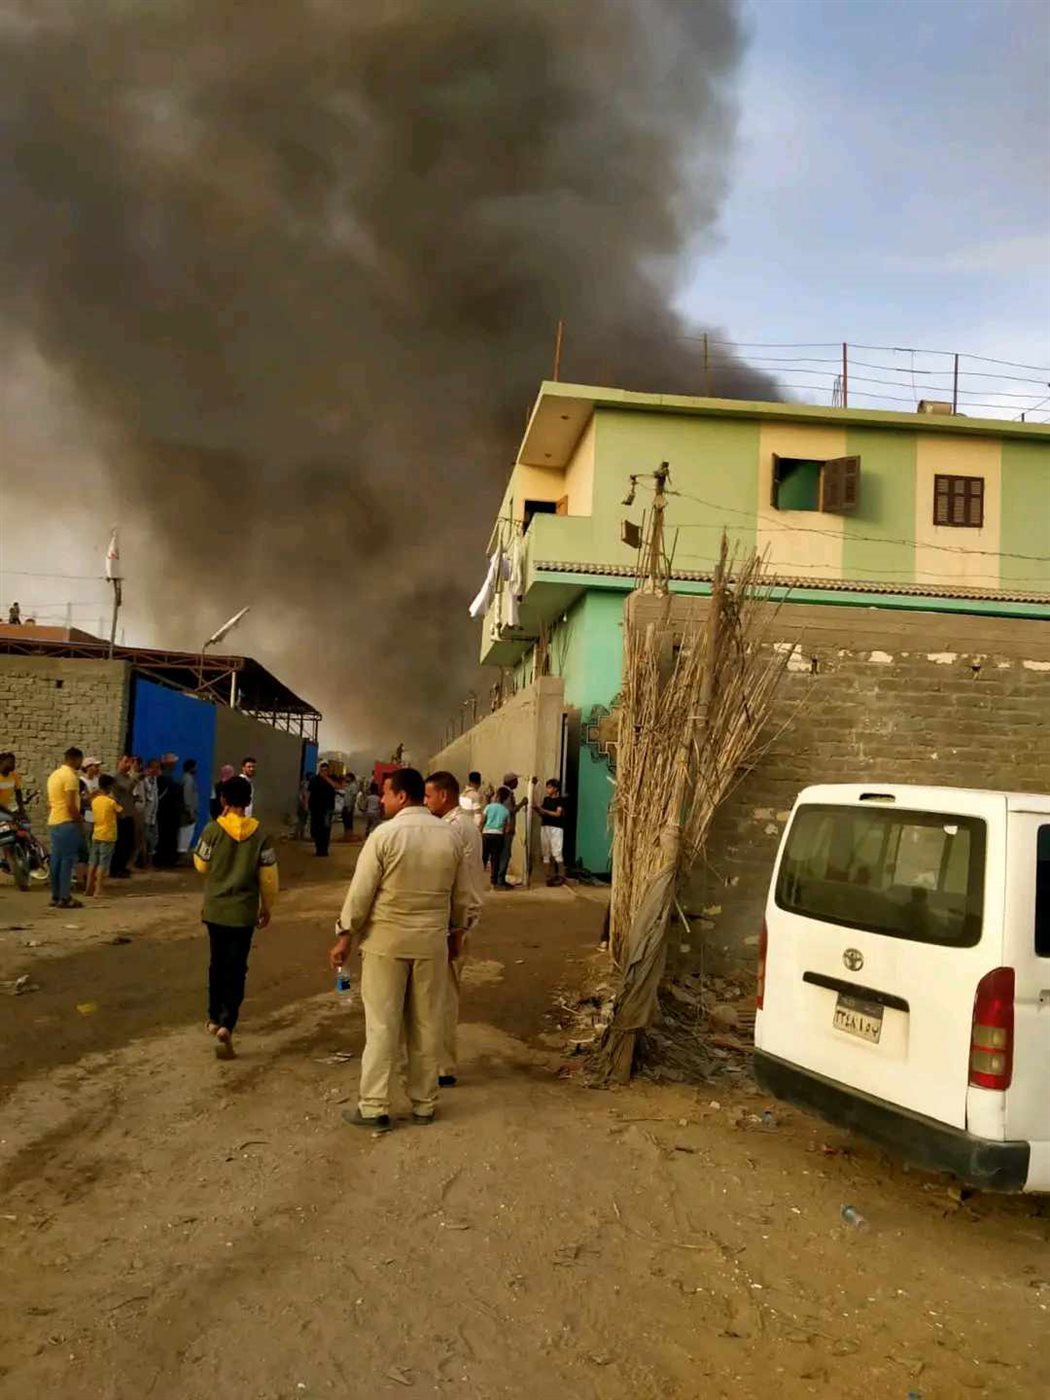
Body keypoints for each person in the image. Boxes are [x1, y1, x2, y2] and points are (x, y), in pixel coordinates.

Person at [328, 768, 471, 1131]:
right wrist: (456, 935)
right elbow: (461, 897)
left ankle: (374, 1105)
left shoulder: (384, 835)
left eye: (387, 794)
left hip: (386, 944)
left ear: (401, 796)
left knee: (382, 1026)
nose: (384, 800)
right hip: (431, 944)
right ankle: (424, 1104)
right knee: (426, 1024)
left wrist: (345, 935)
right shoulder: (451, 837)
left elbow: (360, 895)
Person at [193, 775, 279, 1060]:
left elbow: (201, 865)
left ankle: (214, 1017)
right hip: (243, 913)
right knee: (237, 966)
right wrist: (267, 906)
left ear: (223, 801)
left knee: (217, 963)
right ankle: (228, 1023)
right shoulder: (260, 834)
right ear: (249, 801)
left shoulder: (212, 830)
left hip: (216, 910)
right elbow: (269, 877)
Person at [424, 771, 484, 1088]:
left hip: (455, 922)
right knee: (443, 994)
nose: (425, 802)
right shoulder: (463, 825)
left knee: (443, 995)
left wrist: (455, 929)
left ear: (444, 795)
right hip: (460, 919)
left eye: (428, 796)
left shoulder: (452, 828)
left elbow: (455, 886)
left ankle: (443, 1066)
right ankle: (439, 1062)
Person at [47, 745, 84, 909]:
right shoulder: (70, 777)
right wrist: (78, 819)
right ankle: (65, 896)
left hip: (54, 821)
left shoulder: (54, 775)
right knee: (67, 861)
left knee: (56, 860)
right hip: (66, 822)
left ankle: (56, 895)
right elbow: (70, 804)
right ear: (75, 759)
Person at [85, 774, 122, 897]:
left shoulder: (95, 801)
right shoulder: (111, 802)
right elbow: (121, 812)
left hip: (96, 833)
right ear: (110, 787)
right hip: (108, 835)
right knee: (103, 863)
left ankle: (89, 888)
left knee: (93, 861)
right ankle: (98, 889)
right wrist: (115, 799)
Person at [495, 773, 529, 889]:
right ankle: (500, 881)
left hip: (500, 827)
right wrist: (522, 804)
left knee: (500, 854)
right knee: (505, 854)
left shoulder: (500, 792)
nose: (517, 783)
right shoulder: (507, 793)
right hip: (506, 828)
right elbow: (510, 811)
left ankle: (499, 880)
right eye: (516, 781)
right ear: (511, 782)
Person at [534, 778, 567, 886]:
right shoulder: (546, 799)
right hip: (545, 826)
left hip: (556, 828)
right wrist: (538, 809)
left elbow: (557, 814)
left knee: (557, 852)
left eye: (550, 787)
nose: (548, 789)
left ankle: (562, 876)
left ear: (555, 789)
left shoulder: (560, 800)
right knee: (546, 853)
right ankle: (548, 877)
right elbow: (542, 814)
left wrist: (544, 811)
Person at [109, 754, 138, 879]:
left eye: (130, 762)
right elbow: (127, 788)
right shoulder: (116, 778)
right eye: (126, 762)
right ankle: (115, 869)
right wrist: (135, 776)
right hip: (120, 815)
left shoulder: (127, 777)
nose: (128, 765)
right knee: (120, 843)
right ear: (119, 763)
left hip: (129, 813)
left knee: (128, 843)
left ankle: (123, 867)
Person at [155, 754, 183, 867]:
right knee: (165, 837)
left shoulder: (165, 779)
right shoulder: (164, 780)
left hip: (167, 813)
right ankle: (165, 859)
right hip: (166, 813)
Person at [481, 787, 511, 888]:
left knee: (483, 857)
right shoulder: (506, 811)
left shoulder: (489, 807)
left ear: (496, 796)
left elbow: (482, 820)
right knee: (495, 859)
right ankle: (494, 881)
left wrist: (480, 830)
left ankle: (479, 878)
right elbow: (507, 828)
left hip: (486, 834)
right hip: (498, 836)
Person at [308, 761, 338, 856]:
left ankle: (324, 850)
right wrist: (306, 804)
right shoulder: (314, 780)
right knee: (317, 829)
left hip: (327, 809)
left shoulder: (331, 779)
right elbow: (308, 793)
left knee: (326, 829)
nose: (324, 772)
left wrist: (326, 778)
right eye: (322, 770)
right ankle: (318, 849)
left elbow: (337, 786)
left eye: (326, 770)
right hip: (316, 808)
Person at [178, 758, 200, 859]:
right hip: (187, 814)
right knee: (185, 835)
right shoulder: (188, 780)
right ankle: (180, 857)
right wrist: (190, 813)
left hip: (187, 812)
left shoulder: (185, 778)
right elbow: (187, 798)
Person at [141, 758, 160, 867]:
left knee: (153, 839)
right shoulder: (144, 781)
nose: (157, 770)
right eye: (155, 767)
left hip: (153, 815)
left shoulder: (155, 780)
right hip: (145, 816)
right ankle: (144, 862)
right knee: (145, 839)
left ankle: (149, 861)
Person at [342, 772, 360, 839]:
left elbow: (353, 796)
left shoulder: (353, 785)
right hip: (345, 804)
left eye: (347, 777)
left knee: (349, 820)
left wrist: (351, 806)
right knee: (345, 820)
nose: (346, 778)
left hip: (349, 805)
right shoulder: (348, 785)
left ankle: (349, 834)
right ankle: (346, 834)